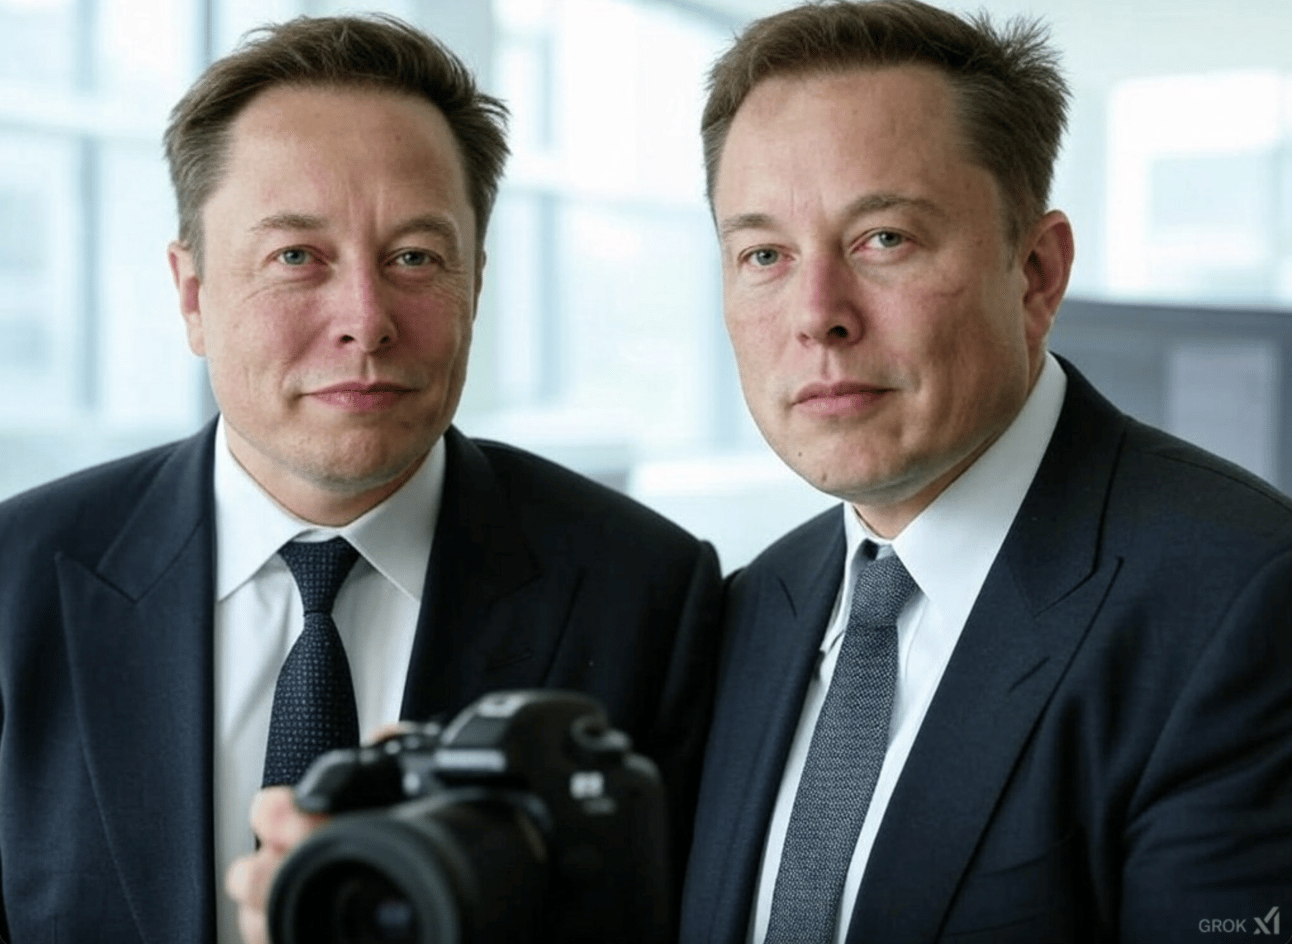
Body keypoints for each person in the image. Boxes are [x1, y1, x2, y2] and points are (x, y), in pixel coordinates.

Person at [0, 14, 722, 944]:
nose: (366, 320)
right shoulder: (17, 580)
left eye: (415, 258)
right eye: (296, 257)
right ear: (193, 295)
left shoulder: (647, 592)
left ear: (475, 285)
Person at [680, 2, 1292, 942]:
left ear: (1036, 272)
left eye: (884, 238)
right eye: (764, 254)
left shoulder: (1240, 602)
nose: (817, 315)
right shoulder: (755, 602)